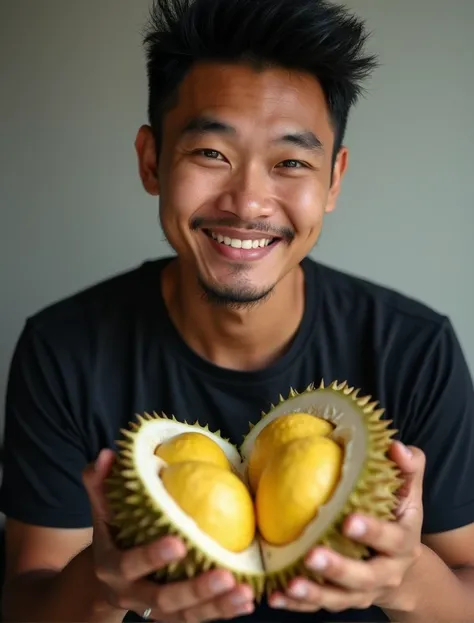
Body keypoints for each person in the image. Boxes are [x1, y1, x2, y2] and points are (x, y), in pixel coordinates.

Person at [1, 0, 474, 621]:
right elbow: (26, 595)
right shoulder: (63, 350)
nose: (248, 202)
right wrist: (103, 583)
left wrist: (403, 578)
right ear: (152, 160)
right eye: (211, 154)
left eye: (291, 163)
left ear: (333, 180)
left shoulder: (414, 350)